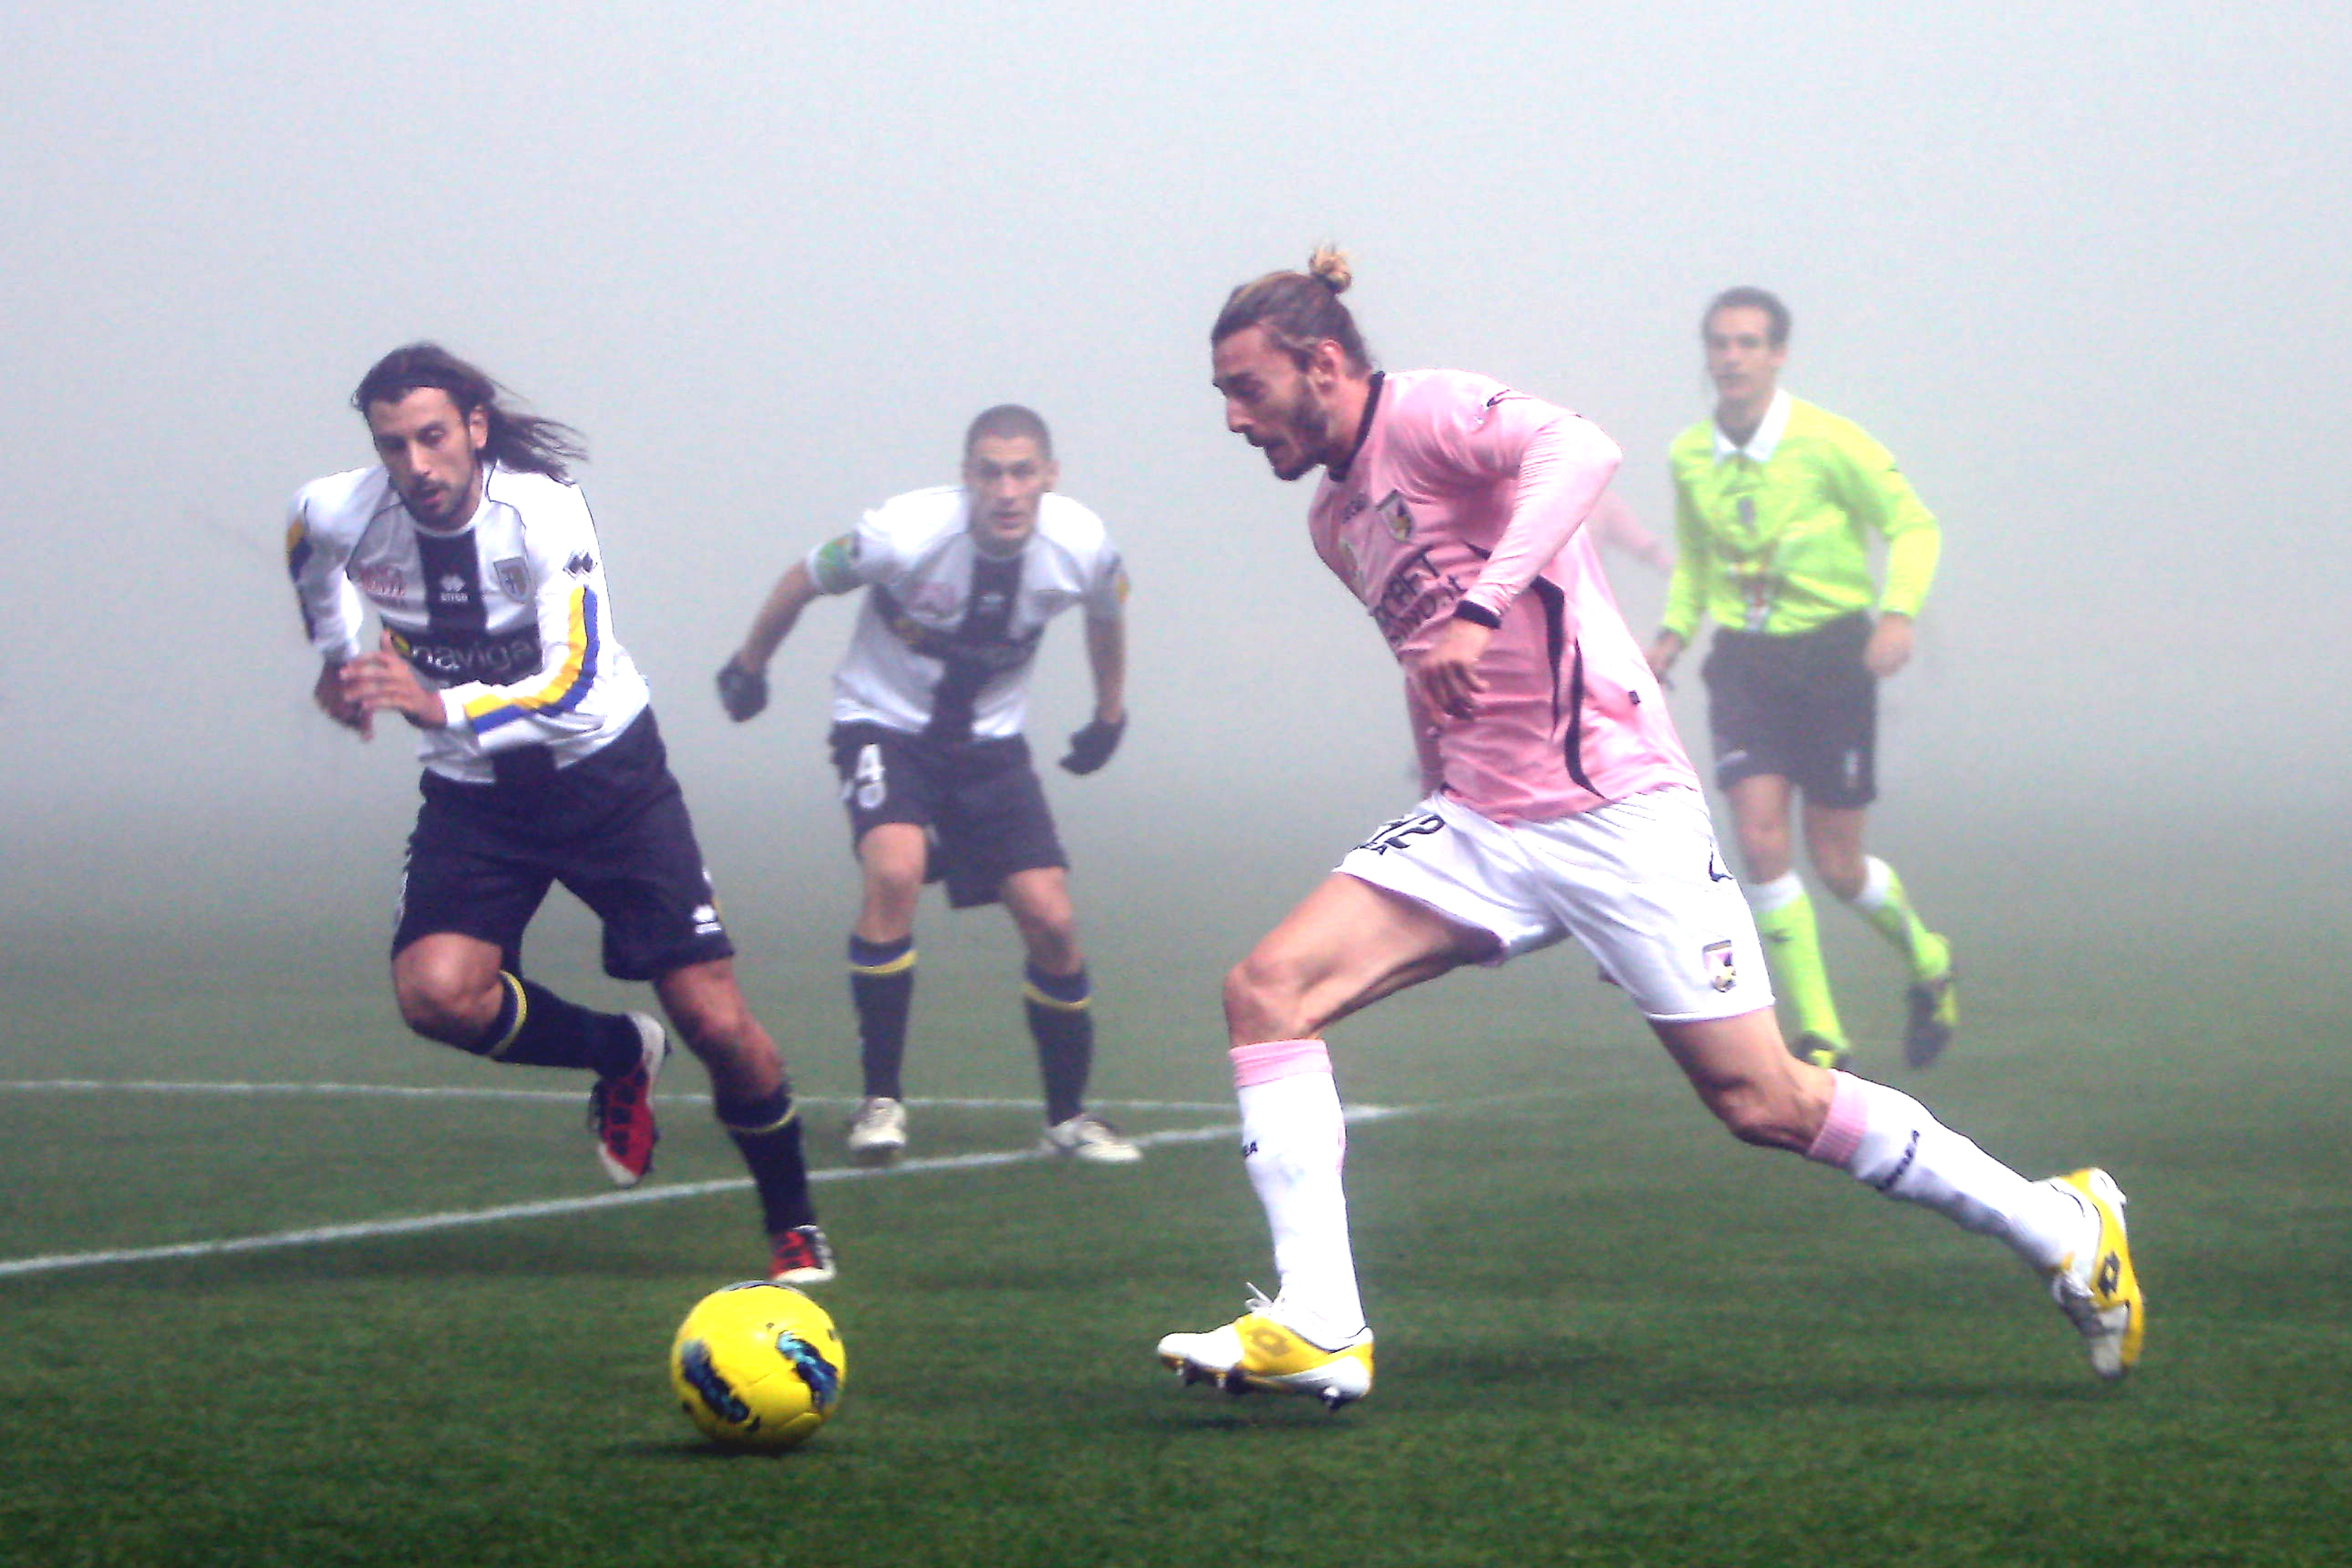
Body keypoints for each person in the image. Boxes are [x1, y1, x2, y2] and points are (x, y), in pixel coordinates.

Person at [1155, 250, 2140, 1410]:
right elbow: (1431, 665)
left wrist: (1479, 609)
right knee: (1267, 989)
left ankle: (2059, 1227)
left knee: (1764, 1100)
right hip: (1480, 822)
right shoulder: (1336, 520)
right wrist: (1438, 759)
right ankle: (1320, 1320)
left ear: (1322, 363)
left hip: (1614, 809)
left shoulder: (1427, 412)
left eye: (1248, 389)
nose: (1233, 418)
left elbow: (1583, 451)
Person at [286, 342, 834, 1285]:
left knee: (713, 1020)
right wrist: (339, 660)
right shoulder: (343, 509)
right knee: (435, 994)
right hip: (475, 795)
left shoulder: (543, 512)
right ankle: (618, 1050)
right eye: (392, 446)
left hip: (605, 781)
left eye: (432, 437)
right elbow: (308, 551)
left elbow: (575, 687)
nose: (416, 465)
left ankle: (793, 1223)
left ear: (474, 428)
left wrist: (439, 704)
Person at [715, 405, 1141, 1167]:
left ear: (1049, 475)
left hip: (990, 748)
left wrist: (1110, 714)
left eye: (1022, 472)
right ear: (965, 476)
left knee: (1051, 919)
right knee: (895, 870)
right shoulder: (901, 534)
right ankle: (880, 1103)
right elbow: (805, 577)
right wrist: (749, 665)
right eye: (989, 472)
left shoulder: (1082, 544)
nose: (1005, 491)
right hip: (883, 725)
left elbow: (1106, 614)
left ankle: (1067, 1118)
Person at [1646, 288, 1956, 1071]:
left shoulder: (1828, 442)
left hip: (1831, 658)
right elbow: (1695, 560)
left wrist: (1897, 615)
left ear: (1778, 354)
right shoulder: (1689, 454)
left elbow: (1913, 525)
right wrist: (1672, 636)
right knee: (1757, 840)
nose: (1731, 358)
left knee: (1837, 864)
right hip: (1744, 665)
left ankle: (1927, 959)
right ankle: (1822, 1036)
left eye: (1748, 343)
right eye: (1719, 343)